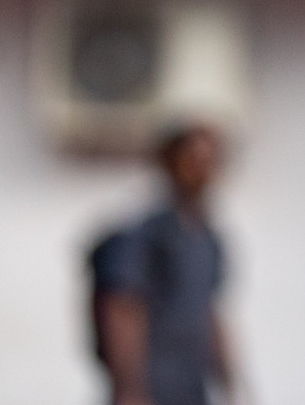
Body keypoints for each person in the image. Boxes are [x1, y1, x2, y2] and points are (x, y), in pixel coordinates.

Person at [90, 123, 236, 405]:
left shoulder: (208, 239)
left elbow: (211, 312)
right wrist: (130, 391)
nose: (201, 170)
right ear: (170, 164)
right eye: (192, 160)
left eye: (209, 161)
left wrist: (230, 383)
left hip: (192, 390)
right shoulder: (145, 236)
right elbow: (123, 309)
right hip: (150, 391)